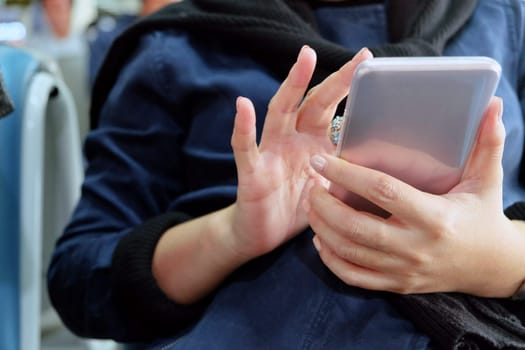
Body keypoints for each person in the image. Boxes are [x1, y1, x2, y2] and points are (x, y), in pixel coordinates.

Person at [47, 0, 525, 349]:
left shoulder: (502, 18)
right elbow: (80, 277)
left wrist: (499, 259)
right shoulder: (176, 49)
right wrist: (231, 233)